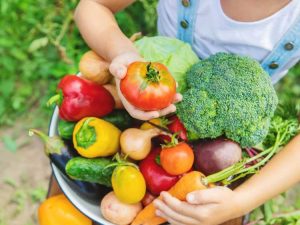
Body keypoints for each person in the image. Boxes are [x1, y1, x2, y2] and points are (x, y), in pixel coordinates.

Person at [65, 0, 300, 224]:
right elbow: (92, 6)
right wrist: (123, 57)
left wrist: (240, 203)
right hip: (145, 96)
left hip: (221, 149)